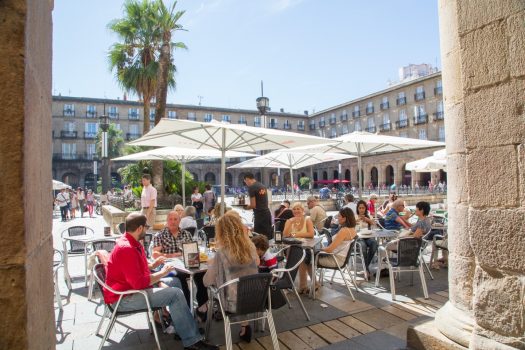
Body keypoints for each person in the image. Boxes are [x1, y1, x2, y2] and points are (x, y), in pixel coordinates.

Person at [104, 213, 218, 350]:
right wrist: (162, 273)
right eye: (146, 227)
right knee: (175, 294)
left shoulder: (130, 243)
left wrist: (152, 266)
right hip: (124, 299)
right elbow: (139, 283)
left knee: (175, 282)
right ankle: (192, 341)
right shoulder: (127, 249)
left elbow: (137, 269)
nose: (147, 230)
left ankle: (182, 326)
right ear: (140, 228)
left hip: (129, 291)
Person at [203, 212, 259, 343]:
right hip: (256, 298)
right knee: (240, 283)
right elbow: (256, 264)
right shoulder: (250, 246)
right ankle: (245, 326)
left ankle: (202, 311)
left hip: (232, 303)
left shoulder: (222, 253)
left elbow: (207, 281)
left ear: (221, 232)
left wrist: (213, 266)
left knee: (214, 285)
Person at [151, 211, 209, 322]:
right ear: (167, 221)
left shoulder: (186, 234)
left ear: (179, 221)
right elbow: (155, 254)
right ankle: (186, 311)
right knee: (181, 277)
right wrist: (172, 255)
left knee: (201, 274)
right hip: (169, 266)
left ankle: (201, 306)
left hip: (187, 263)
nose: (173, 221)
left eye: (175, 219)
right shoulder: (160, 235)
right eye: (170, 219)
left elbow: (192, 249)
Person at [314, 207, 357, 280]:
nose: (337, 218)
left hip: (334, 259)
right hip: (341, 258)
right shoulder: (352, 229)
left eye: (339, 216)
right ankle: (314, 283)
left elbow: (330, 250)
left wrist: (319, 249)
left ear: (344, 218)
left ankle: (312, 284)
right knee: (309, 256)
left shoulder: (344, 231)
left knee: (306, 259)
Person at [283, 202, 316, 293]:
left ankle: (303, 286)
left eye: (298, 209)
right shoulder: (289, 221)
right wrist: (290, 223)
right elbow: (285, 235)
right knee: (300, 257)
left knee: (303, 258)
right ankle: (306, 285)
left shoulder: (307, 219)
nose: (296, 211)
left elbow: (311, 234)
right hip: (292, 247)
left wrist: (294, 234)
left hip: (307, 247)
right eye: (294, 209)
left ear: (303, 210)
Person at [243, 173, 272, 239]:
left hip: (260, 215)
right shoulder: (262, 186)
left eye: (245, 182)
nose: (246, 184)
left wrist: (245, 207)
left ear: (247, 179)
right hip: (267, 213)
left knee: (259, 237)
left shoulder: (252, 188)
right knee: (267, 236)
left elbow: (253, 205)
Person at [355, 200, 378, 276]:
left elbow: (374, 225)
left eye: (363, 208)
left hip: (367, 236)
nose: (361, 210)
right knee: (363, 246)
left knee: (374, 243)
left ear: (365, 209)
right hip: (358, 237)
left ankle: (365, 267)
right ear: (357, 209)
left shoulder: (368, 216)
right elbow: (350, 226)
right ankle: (366, 269)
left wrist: (367, 220)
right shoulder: (354, 216)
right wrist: (356, 220)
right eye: (360, 208)